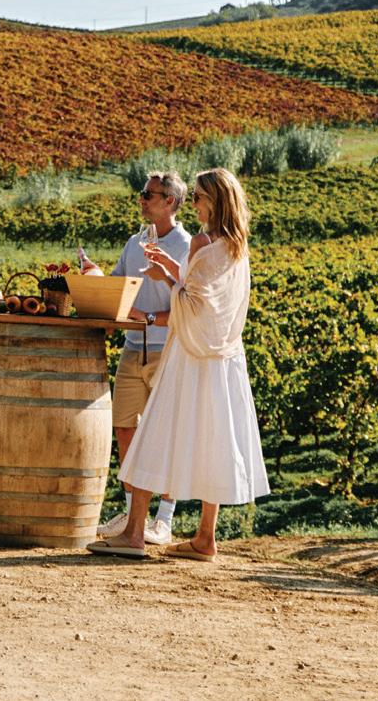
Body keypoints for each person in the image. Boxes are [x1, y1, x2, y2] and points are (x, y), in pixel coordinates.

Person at [91, 167, 268, 562]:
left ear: (214, 202)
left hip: (188, 356)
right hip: (223, 359)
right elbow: (206, 295)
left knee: (153, 433)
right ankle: (205, 538)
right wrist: (172, 270)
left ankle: (135, 534)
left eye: (200, 198)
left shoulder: (201, 241)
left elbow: (190, 303)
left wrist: (165, 285)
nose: (196, 205)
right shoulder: (236, 245)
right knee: (214, 440)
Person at [98, 171, 193, 546]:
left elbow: (189, 306)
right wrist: (95, 278)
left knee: (166, 435)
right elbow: (117, 287)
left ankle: (164, 519)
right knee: (124, 428)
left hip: (167, 350)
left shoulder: (187, 246)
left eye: (148, 194)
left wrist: (148, 317)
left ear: (170, 201)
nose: (141, 199)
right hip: (133, 348)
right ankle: (131, 515)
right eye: (142, 193)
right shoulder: (134, 242)